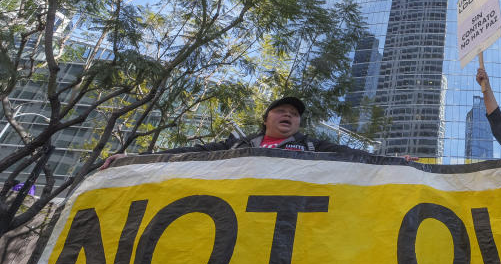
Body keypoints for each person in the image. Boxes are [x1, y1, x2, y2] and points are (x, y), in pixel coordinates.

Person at [102, 96, 373, 167]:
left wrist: (401, 163)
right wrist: (135, 160)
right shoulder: (235, 146)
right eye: (282, 111)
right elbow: (189, 153)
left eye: (295, 114)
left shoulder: (313, 148)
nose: (289, 115)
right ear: (266, 118)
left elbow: (353, 155)